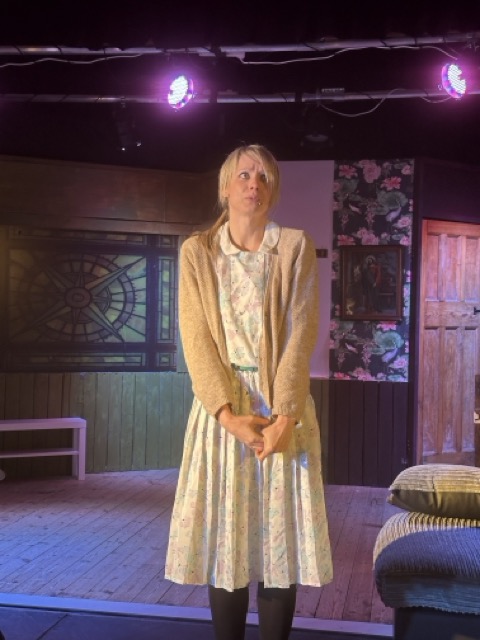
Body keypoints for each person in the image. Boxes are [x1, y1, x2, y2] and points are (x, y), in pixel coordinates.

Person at [165, 144, 332, 640]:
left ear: (273, 189)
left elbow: (301, 331)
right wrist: (227, 415)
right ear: (225, 187)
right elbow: (195, 336)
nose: (253, 184)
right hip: (222, 412)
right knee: (228, 541)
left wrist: (285, 417)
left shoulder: (295, 246)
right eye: (243, 175)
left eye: (263, 176)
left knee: (279, 541)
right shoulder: (197, 252)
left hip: (283, 409)